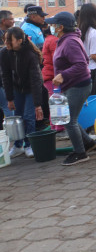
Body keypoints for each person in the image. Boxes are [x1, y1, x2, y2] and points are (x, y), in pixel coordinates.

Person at [45, 11, 96, 166]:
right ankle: (87, 143)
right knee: (69, 118)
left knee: (69, 120)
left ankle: (80, 153)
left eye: (54, 25)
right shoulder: (65, 40)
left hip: (78, 85)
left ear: (61, 27)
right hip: (72, 85)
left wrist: (63, 75)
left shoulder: (70, 42)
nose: (51, 27)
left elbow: (81, 65)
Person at [0, 27, 44, 158]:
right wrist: (9, 99)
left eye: (10, 40)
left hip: (31, 88)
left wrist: (37, 104)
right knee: (17, 117)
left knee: (29, 116)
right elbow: (5, 76)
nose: (6, 42)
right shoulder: (4, 53)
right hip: (16, 88)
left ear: (19, 40)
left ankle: (30, 145)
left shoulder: (31, 54)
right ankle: (18, 145)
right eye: (5, 39)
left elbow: (36, 80)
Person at [41, 24, 66, 140]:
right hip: (53, 77)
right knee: (57, 102)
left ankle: (54, 127)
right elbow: (57, 60)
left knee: (54, 102)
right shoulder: (54, 40)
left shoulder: (48, 39)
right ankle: (59, 129)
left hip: (48, 75)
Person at [0, 10, 15, 121]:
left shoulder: (8, 33)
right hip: (2, 77)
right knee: (7, 106)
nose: (14, 21)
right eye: (11, 19)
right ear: (3, 21)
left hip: (7, 76)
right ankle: (14, 135)